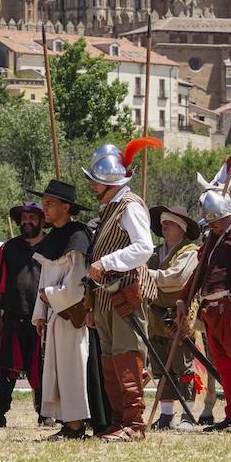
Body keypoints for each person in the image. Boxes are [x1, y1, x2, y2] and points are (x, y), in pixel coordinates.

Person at [177, 188, 231, 432]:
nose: (212, 225)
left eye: (214, 221)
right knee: (225, 366)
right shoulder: (213, 238)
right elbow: (199, 272)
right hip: (213, 311)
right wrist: (184, 299)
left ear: (225, 215)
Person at [84, 142, 155, 441]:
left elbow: (144, 248)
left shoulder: (130, 206)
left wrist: (107, 261)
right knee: (111, 360)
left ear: (106, 181)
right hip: (105, 296)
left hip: (125, 294)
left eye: (94, 180)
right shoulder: (111, 208)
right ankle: (118, 420)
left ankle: (133, 423)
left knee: (126, 357)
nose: (91, 185)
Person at [30, 179, 94, 441]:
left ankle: (77, 425)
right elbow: (44, 278)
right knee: (58, 371)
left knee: (73, 369)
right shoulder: (52, 238)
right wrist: (40, 314)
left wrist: (50, 297)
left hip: (73, 315)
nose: (44, 208)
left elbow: (78, 286)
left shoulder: (78, 236)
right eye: (44, 203)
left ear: (66, 207)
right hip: (55, 314)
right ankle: (69, 422)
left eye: (50, 203)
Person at [0, 201, 45, 428]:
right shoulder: (8, 248)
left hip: (43, 319)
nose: (27, 222)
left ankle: (46, 413)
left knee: (44, 370)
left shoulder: (52, 246)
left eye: (32, 218)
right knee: (6, 368)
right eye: (24, 218)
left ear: (41, 220)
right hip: (13, 317)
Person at [145, 205, 200, 430]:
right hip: (156, 314)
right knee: (160, 364)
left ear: (182, 228)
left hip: (180, 313)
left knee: (183, 364)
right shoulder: (156, 252)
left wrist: (146, 274)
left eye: (170, 223)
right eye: (163, 222)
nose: (164, 225)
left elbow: (176, 279)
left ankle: (188, 415)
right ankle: (166, 415)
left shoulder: (190, 251)